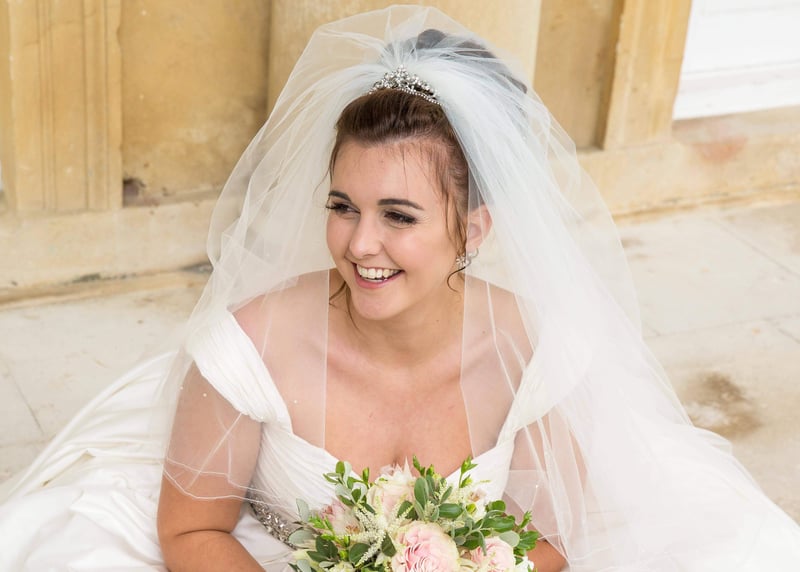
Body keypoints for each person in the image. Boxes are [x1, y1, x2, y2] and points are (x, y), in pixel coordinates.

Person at [1, 6, 799, 571]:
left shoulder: (541, 354)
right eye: (342, 206)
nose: (360, 244)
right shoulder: (248, 351)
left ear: (473, 230)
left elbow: (545, 540)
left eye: (399, 215)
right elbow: (191, 531)